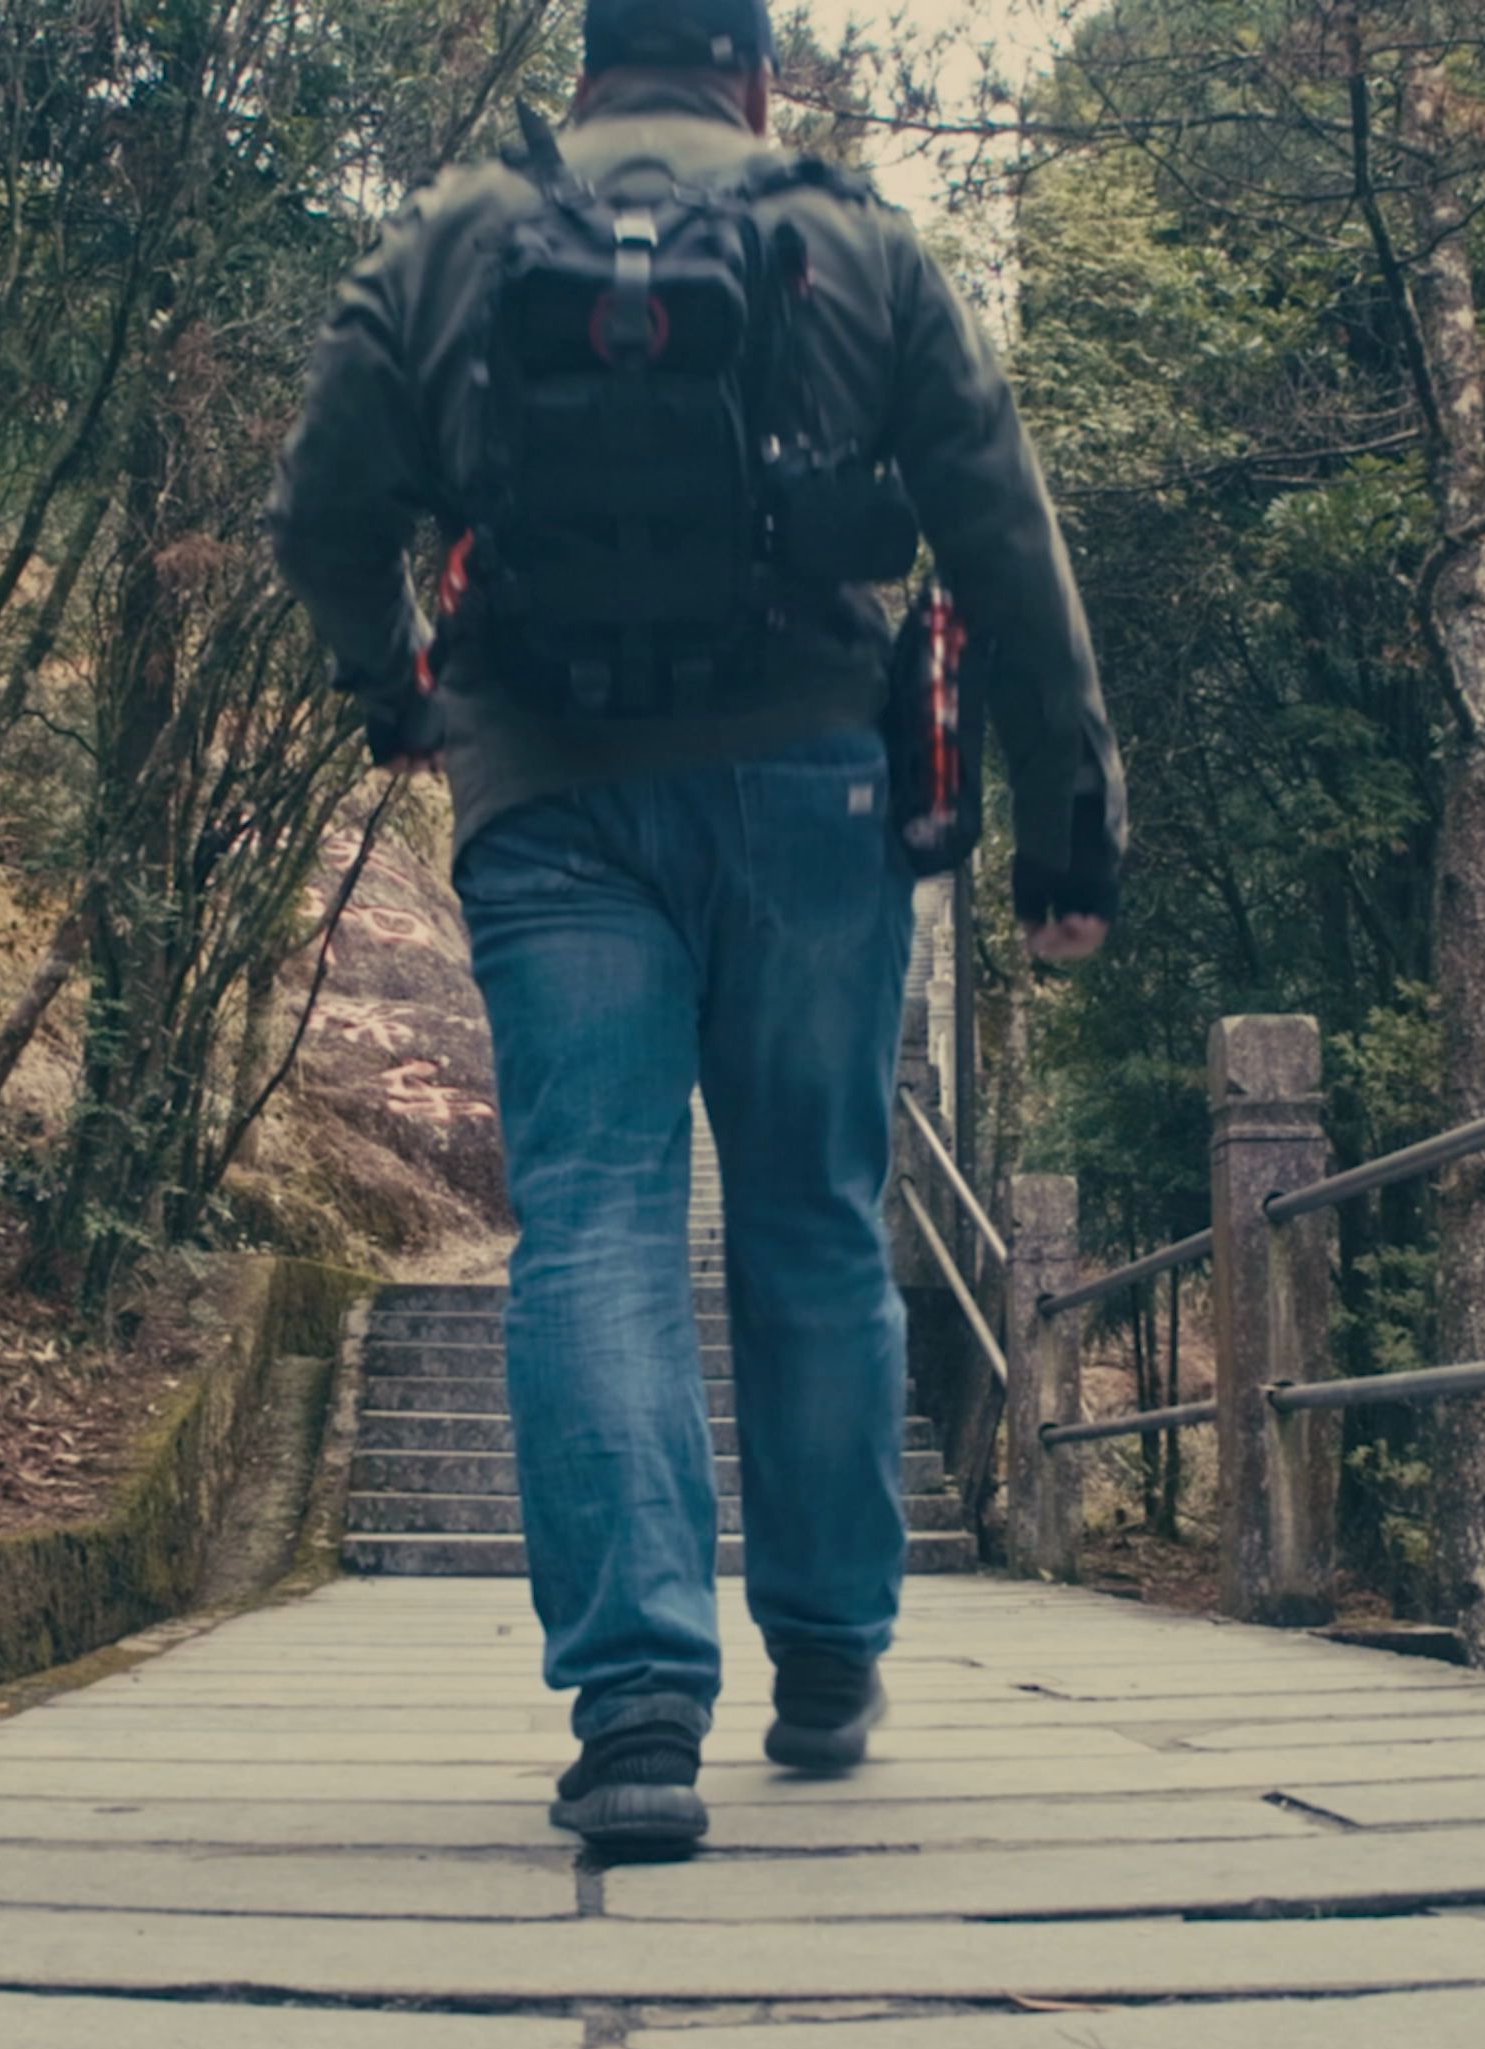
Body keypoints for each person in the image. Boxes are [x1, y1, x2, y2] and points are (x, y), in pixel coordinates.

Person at [268, 0, 1123, 1857]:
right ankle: (824, 1649)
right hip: (811, 786)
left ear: (586, 72)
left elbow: (323, 508)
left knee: (594, 1210)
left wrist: (396, 686)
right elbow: (1002, 538)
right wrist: (1073, 824)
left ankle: (640, 1705)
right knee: (813, 1209)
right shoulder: (859, 242)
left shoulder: (455, 232)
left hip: (548, 795)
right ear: (753, 73)